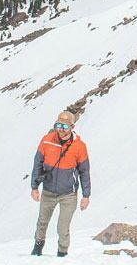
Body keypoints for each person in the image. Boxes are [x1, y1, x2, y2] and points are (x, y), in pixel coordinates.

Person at [30, 110, 91, 256]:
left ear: (72, 127)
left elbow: (84, 171)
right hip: (48, 191)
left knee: (62, 227)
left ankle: (62, 253)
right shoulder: (47, 140)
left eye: (64, 126)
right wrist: (34, 187)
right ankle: (37, 248)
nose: (60, 129)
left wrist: (86, 195)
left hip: (68, 194)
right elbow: (37, 164)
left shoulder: (79, 146)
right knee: (42, 222)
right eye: (58, 125)